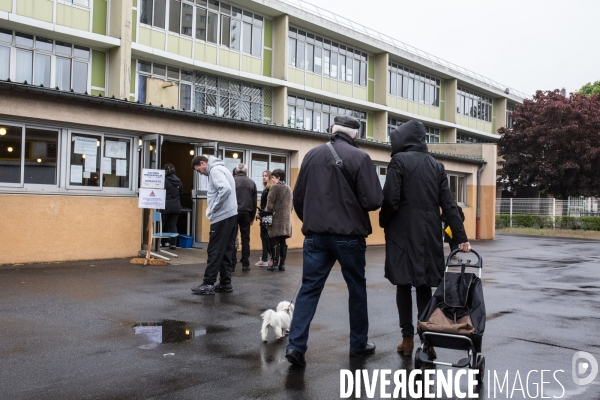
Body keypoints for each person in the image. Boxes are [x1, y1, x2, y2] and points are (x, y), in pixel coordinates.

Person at [285, 115, 384, 367]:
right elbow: (374, 200)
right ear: (355, 135)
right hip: (349, 236)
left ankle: (295, 345)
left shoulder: (311, 155)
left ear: (332, 131)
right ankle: (358, 345)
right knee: (356, 290)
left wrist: (311, 221)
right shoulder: (360, 158)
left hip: (316, 236)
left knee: (309, 289)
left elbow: (298, 197)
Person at [379, 120, 471, 358]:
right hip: (429, 234)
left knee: (402, 284)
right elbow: (449, 205)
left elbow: (391, 199)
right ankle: (427, 340)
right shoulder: (436, 166)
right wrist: (461, 236)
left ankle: (407, 338)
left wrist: (383, 221)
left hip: (402, 233)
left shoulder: (398, 162)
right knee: (423, 287)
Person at [190, 155, 238, 295]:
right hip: (231, 216)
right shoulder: (223, 169)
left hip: (221, 218)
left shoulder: (215, 171)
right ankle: (225, 283)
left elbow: (225, 189)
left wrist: (213, 208)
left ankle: (208, 283)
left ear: (203, 163)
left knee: (215, 250)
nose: (200, 173)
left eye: (199, 170)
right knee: (226, 252)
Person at [230, 163, 257, 272]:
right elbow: (254, 201)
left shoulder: (232, 181)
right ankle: (245, 263)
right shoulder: (252, 182)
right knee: (245, 238)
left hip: (233, 212)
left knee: (232, 238)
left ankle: (232, 263)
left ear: (236, 171)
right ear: (246, 171)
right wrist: (252, 217)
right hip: (246, 212)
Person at [264, 169, 292, 272]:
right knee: (283, 241)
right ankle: (282, 264)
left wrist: (265, 212)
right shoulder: (289, 188)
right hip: (286, 220)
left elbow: (270, 205)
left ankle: (275, 264)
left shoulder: (274, 188)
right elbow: (291, 205)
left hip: (276, 219)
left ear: (278, 178)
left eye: (273, 178)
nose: (272, 180)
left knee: (274, 240)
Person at [160, 163, 183, 250]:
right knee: (173, 225)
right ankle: (173, 244)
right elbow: (181, 193)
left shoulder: (164, 180)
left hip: (165, 205)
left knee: (162, 224)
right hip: (176, 206)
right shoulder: (179, 181)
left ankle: (161, 242)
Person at [255, 170, 273, 267]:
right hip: (265, 215)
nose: (264, 177)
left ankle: (268, 258)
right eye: (263, 176)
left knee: (266, 237)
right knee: (265, 237)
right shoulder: (266, 188)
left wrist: (260, 214)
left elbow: (267, 205)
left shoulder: (269, 189)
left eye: (266, 176)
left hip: (267, 216)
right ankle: (266, 258)